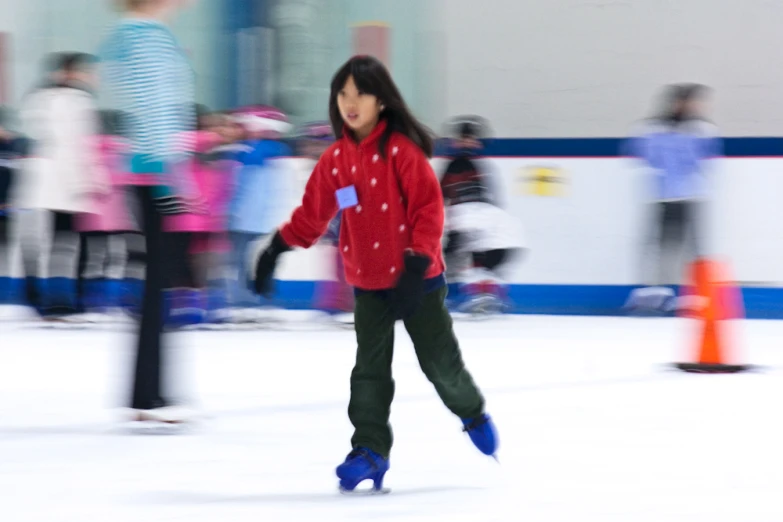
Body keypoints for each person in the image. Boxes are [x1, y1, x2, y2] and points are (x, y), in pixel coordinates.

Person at [252, 55, 498, 493]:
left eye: (360, 93)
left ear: (381, 100)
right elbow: (311, 217)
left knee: (440, 365)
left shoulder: (403, 152)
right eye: (342, 94)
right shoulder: (335, 160)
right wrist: (275, 248)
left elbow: (428, 210)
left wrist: (417, 262)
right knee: (369, 370)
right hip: (367, 283)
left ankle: (472, 411)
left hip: (416, 282)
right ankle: (369, 451)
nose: (350, 102)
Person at [101, 0, 198, 423]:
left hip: (146, 170)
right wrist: (171, 174)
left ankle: (149, 393)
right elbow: (155, 110)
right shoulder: (147, 40)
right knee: (159, 280)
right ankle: (149, 395)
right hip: (153, 171)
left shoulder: (132, 37)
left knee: (157, 281)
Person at [17, 52, 108, 320]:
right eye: (87, 71)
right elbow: (77, 144)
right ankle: (63, 298)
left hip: (41, 180)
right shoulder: (76, 101)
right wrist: (90, 180)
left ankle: (40, 294)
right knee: (67, 241)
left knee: (44, 240)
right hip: (67, 180)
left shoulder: (37, 98)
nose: (92, 77)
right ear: (70, 72)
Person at [625, 84, 721, 314]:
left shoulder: (702, 128)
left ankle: (699, 294)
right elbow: (642, 157)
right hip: (662, 197)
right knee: (658, 245)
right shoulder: (652, 127)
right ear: (679, 102)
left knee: (694, 246)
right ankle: (654, 293)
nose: (697, 106)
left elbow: (707, 161)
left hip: (691, 196)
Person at [440, 116, 524, 315]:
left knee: (488, 251)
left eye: (471, 139)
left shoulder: (481, 166)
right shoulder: (453, 165)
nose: (468, 142)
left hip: (481, 218)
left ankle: (484, 293)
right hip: (462, 217)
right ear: (456, 141)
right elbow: (441, 193)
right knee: (456, 256)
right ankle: (451, 295)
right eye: (464, 138)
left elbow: (491, 196)